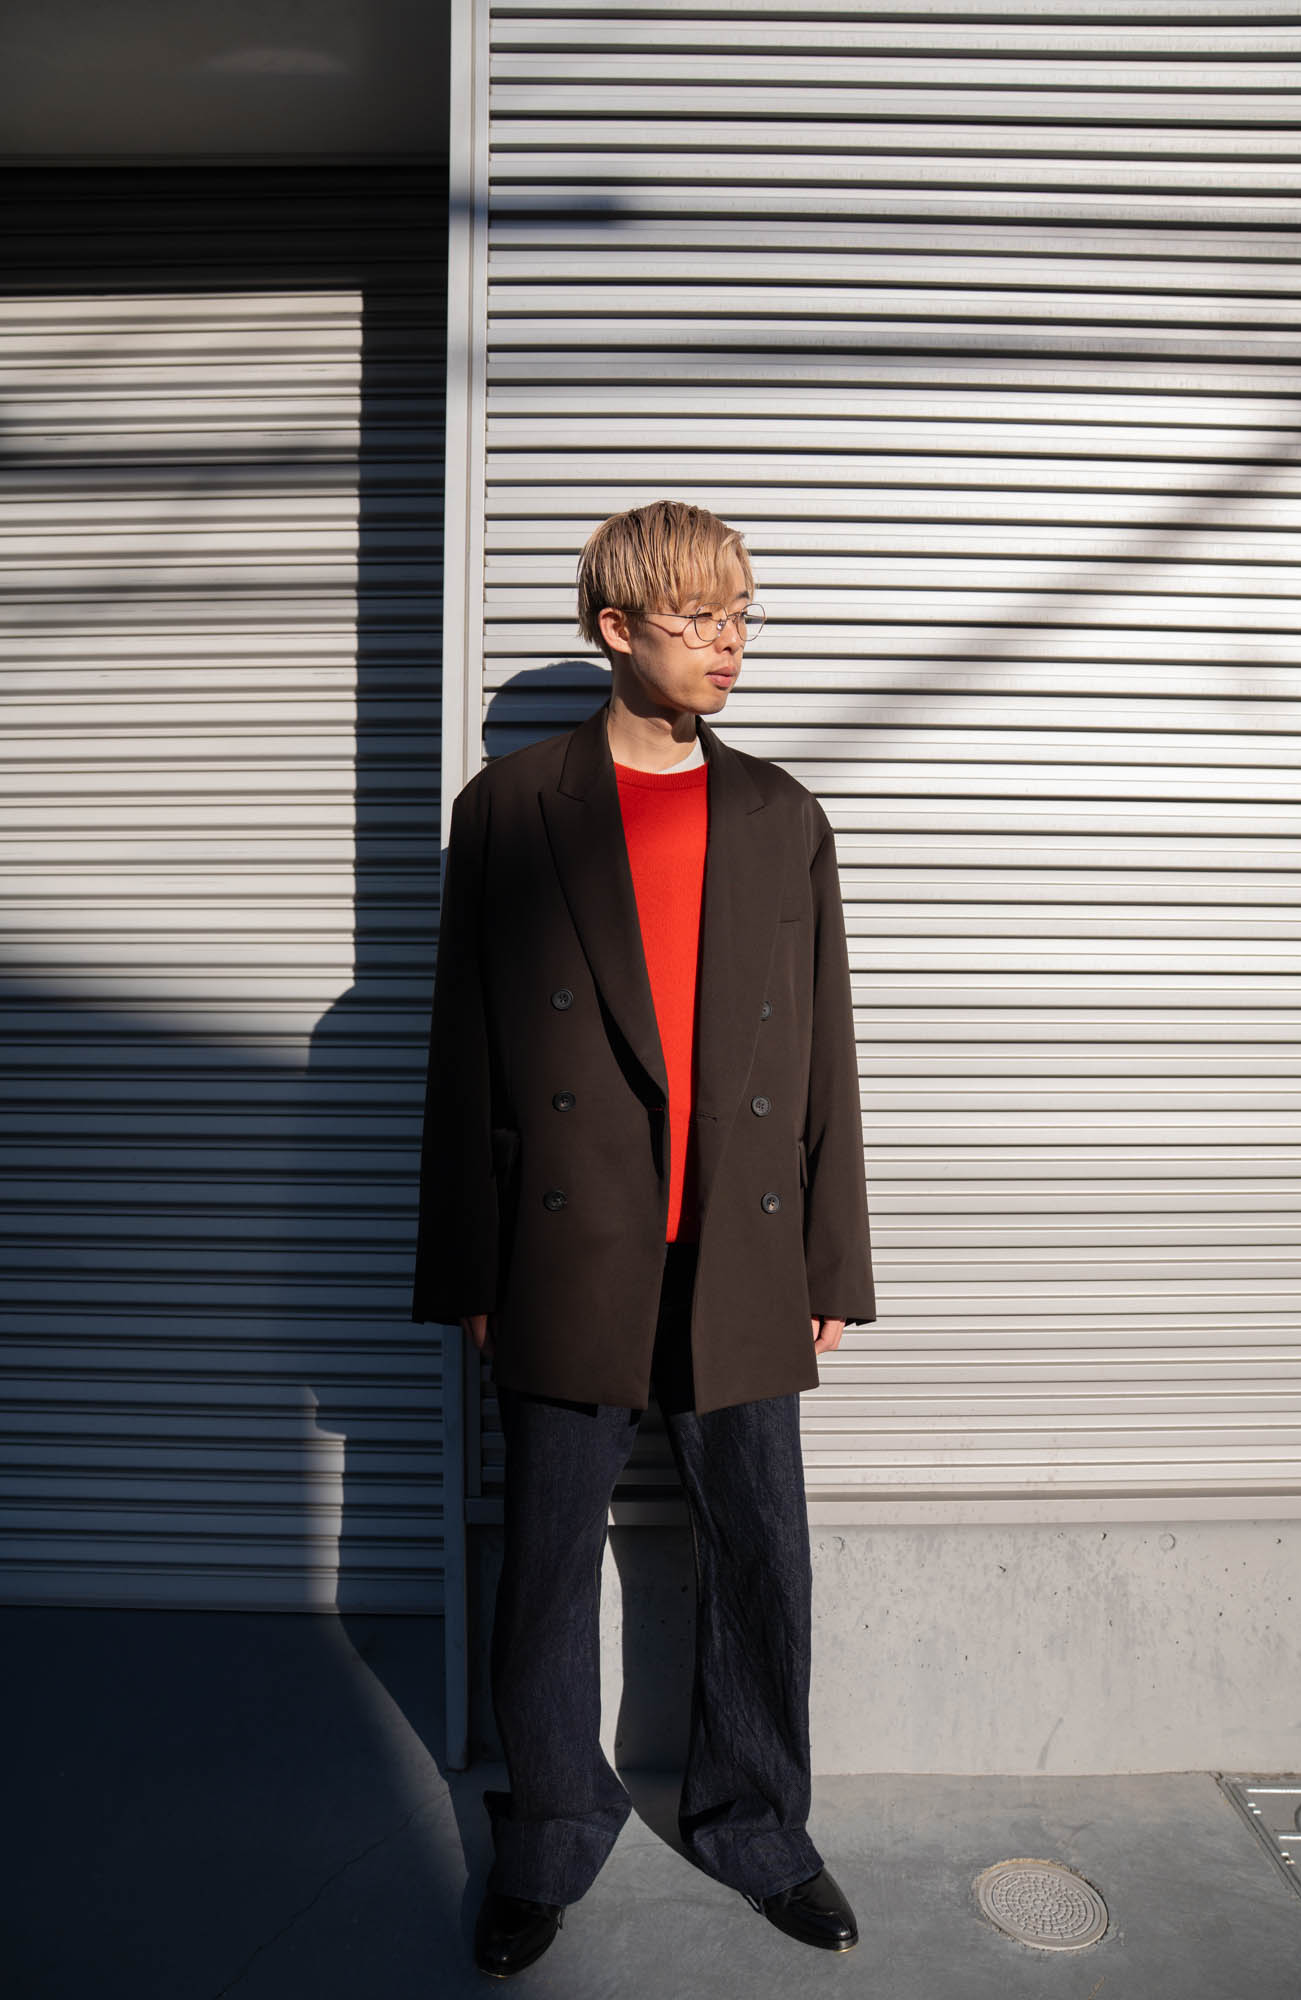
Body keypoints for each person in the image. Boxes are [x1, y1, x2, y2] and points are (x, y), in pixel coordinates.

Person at [413, 500, 876, 1976]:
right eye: (698, 618)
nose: (730, 643)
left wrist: (830, 1260)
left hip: (741, 1247)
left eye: (741, 615)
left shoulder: (781, 815)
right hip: (569, 1247)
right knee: (546, 1560)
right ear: (616, 629)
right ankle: (549, 1835)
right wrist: (472, 1264)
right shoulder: (513, 808)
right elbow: (466, 1056)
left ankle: (759, 1827)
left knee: (762, 1552)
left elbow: (824, 1054)